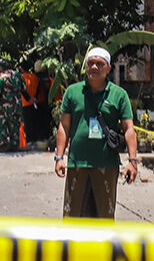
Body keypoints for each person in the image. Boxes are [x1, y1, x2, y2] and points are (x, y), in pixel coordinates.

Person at [54, 47, 138, 219]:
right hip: (77, 163)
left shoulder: (118, 95)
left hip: (106, 163)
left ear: (108, 68)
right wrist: (59, 157)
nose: (94, 67)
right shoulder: (73, 92)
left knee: (104, 215)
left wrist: (133, 161)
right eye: (90, 63)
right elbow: (64, 126)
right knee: (73, 215)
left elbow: (129, 129)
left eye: (100, 64)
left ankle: (102, 246)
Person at [0, 58, 24, 152]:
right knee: (15, 123)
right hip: (17, 104)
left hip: (5, 104)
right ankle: (14, 144)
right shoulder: (17, 75)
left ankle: (3, 144)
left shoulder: (1, 76)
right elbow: (24, 87)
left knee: (1, 124)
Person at [21, 66, 40, 145]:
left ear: (22, 69)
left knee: (27, 123)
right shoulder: (34, 77)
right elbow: (39, 88)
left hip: (25, 103)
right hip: (35, 102)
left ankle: (29, 140)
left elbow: (22, 89)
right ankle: (35, 140)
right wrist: (35, 97)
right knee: (34, 122)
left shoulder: (21, 77)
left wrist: (28, 99)